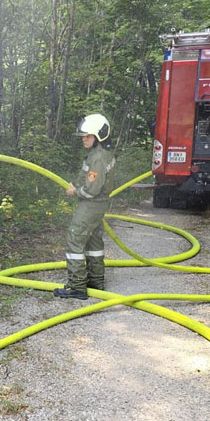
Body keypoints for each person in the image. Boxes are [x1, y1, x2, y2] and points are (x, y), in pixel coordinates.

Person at [54, 114, 116, 300]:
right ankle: (96, 281)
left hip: (90, 205)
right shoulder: (102, 154)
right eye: (83, 135)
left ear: (99, 135)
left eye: (87, 135)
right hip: (98, 206)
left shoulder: (97, 158)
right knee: (93, 242)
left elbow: (92, 190)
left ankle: (77, 286)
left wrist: (75, 192)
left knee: (75, 239)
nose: (84, 138)